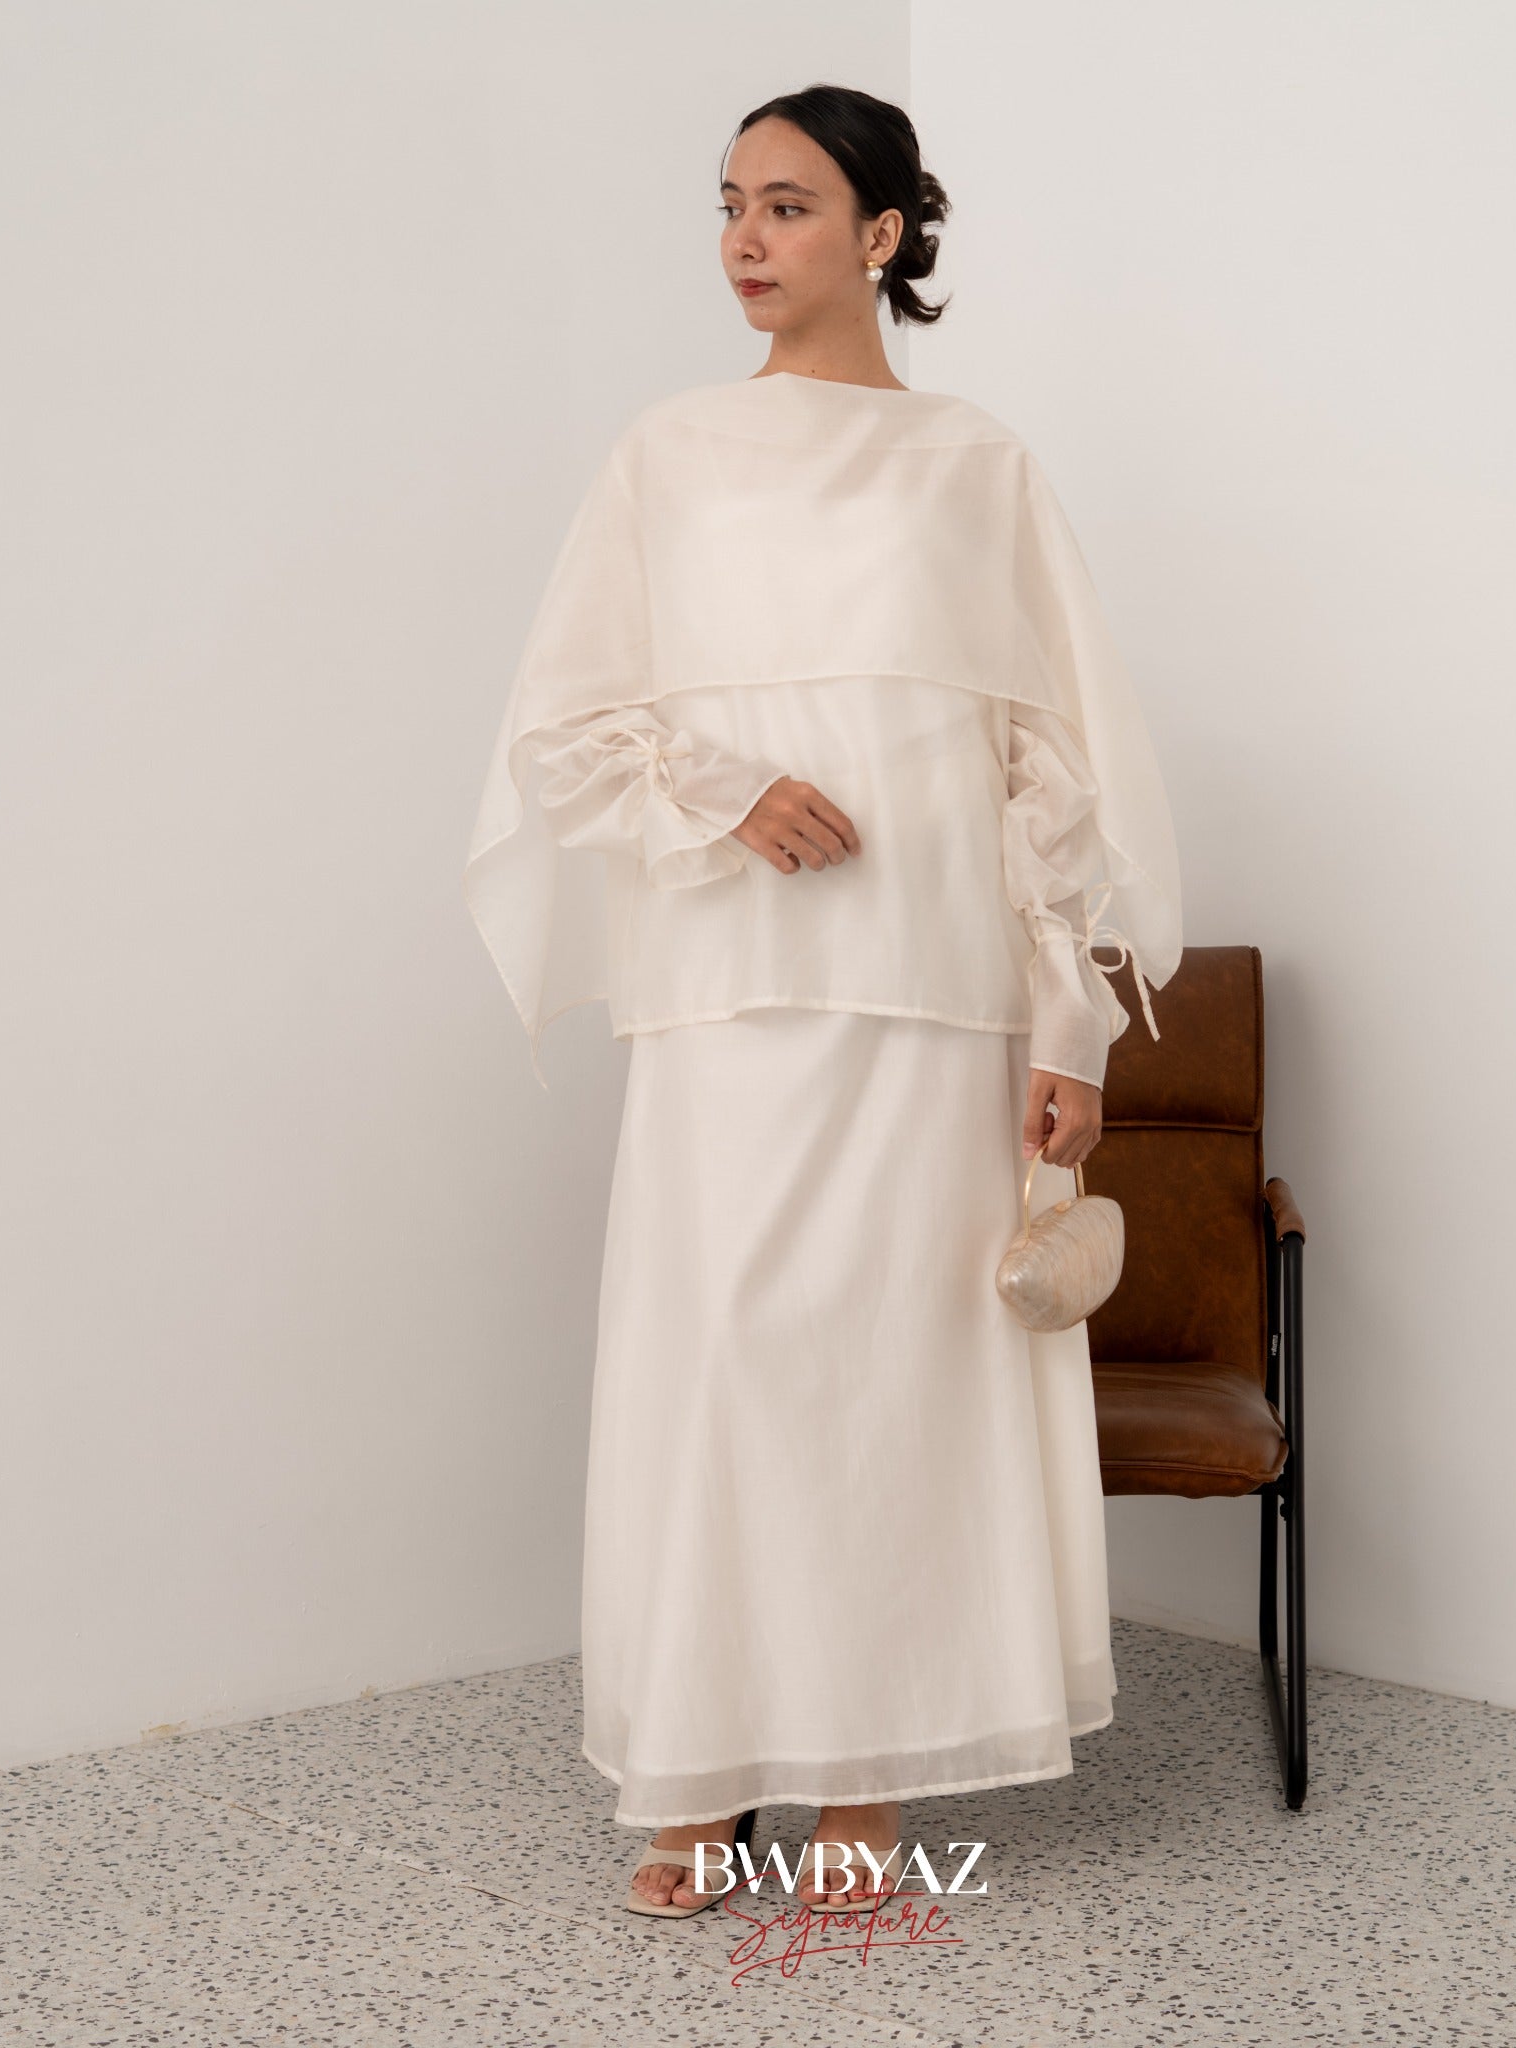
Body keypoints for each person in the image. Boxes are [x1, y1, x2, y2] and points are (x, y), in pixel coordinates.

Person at [461, 83, 1182, 1918]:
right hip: (731, 991)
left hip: (933, 999)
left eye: (786, 205)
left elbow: (1046, 770)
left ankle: (867, 1780)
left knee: (892, 1381)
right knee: (717, 1365)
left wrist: (1067, 1033)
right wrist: (728, 794)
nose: (743, 240)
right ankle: (694, 1777)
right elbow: (572, 723)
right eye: (727, 206)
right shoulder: (669, 453)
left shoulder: (980, 466)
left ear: (884, 234)